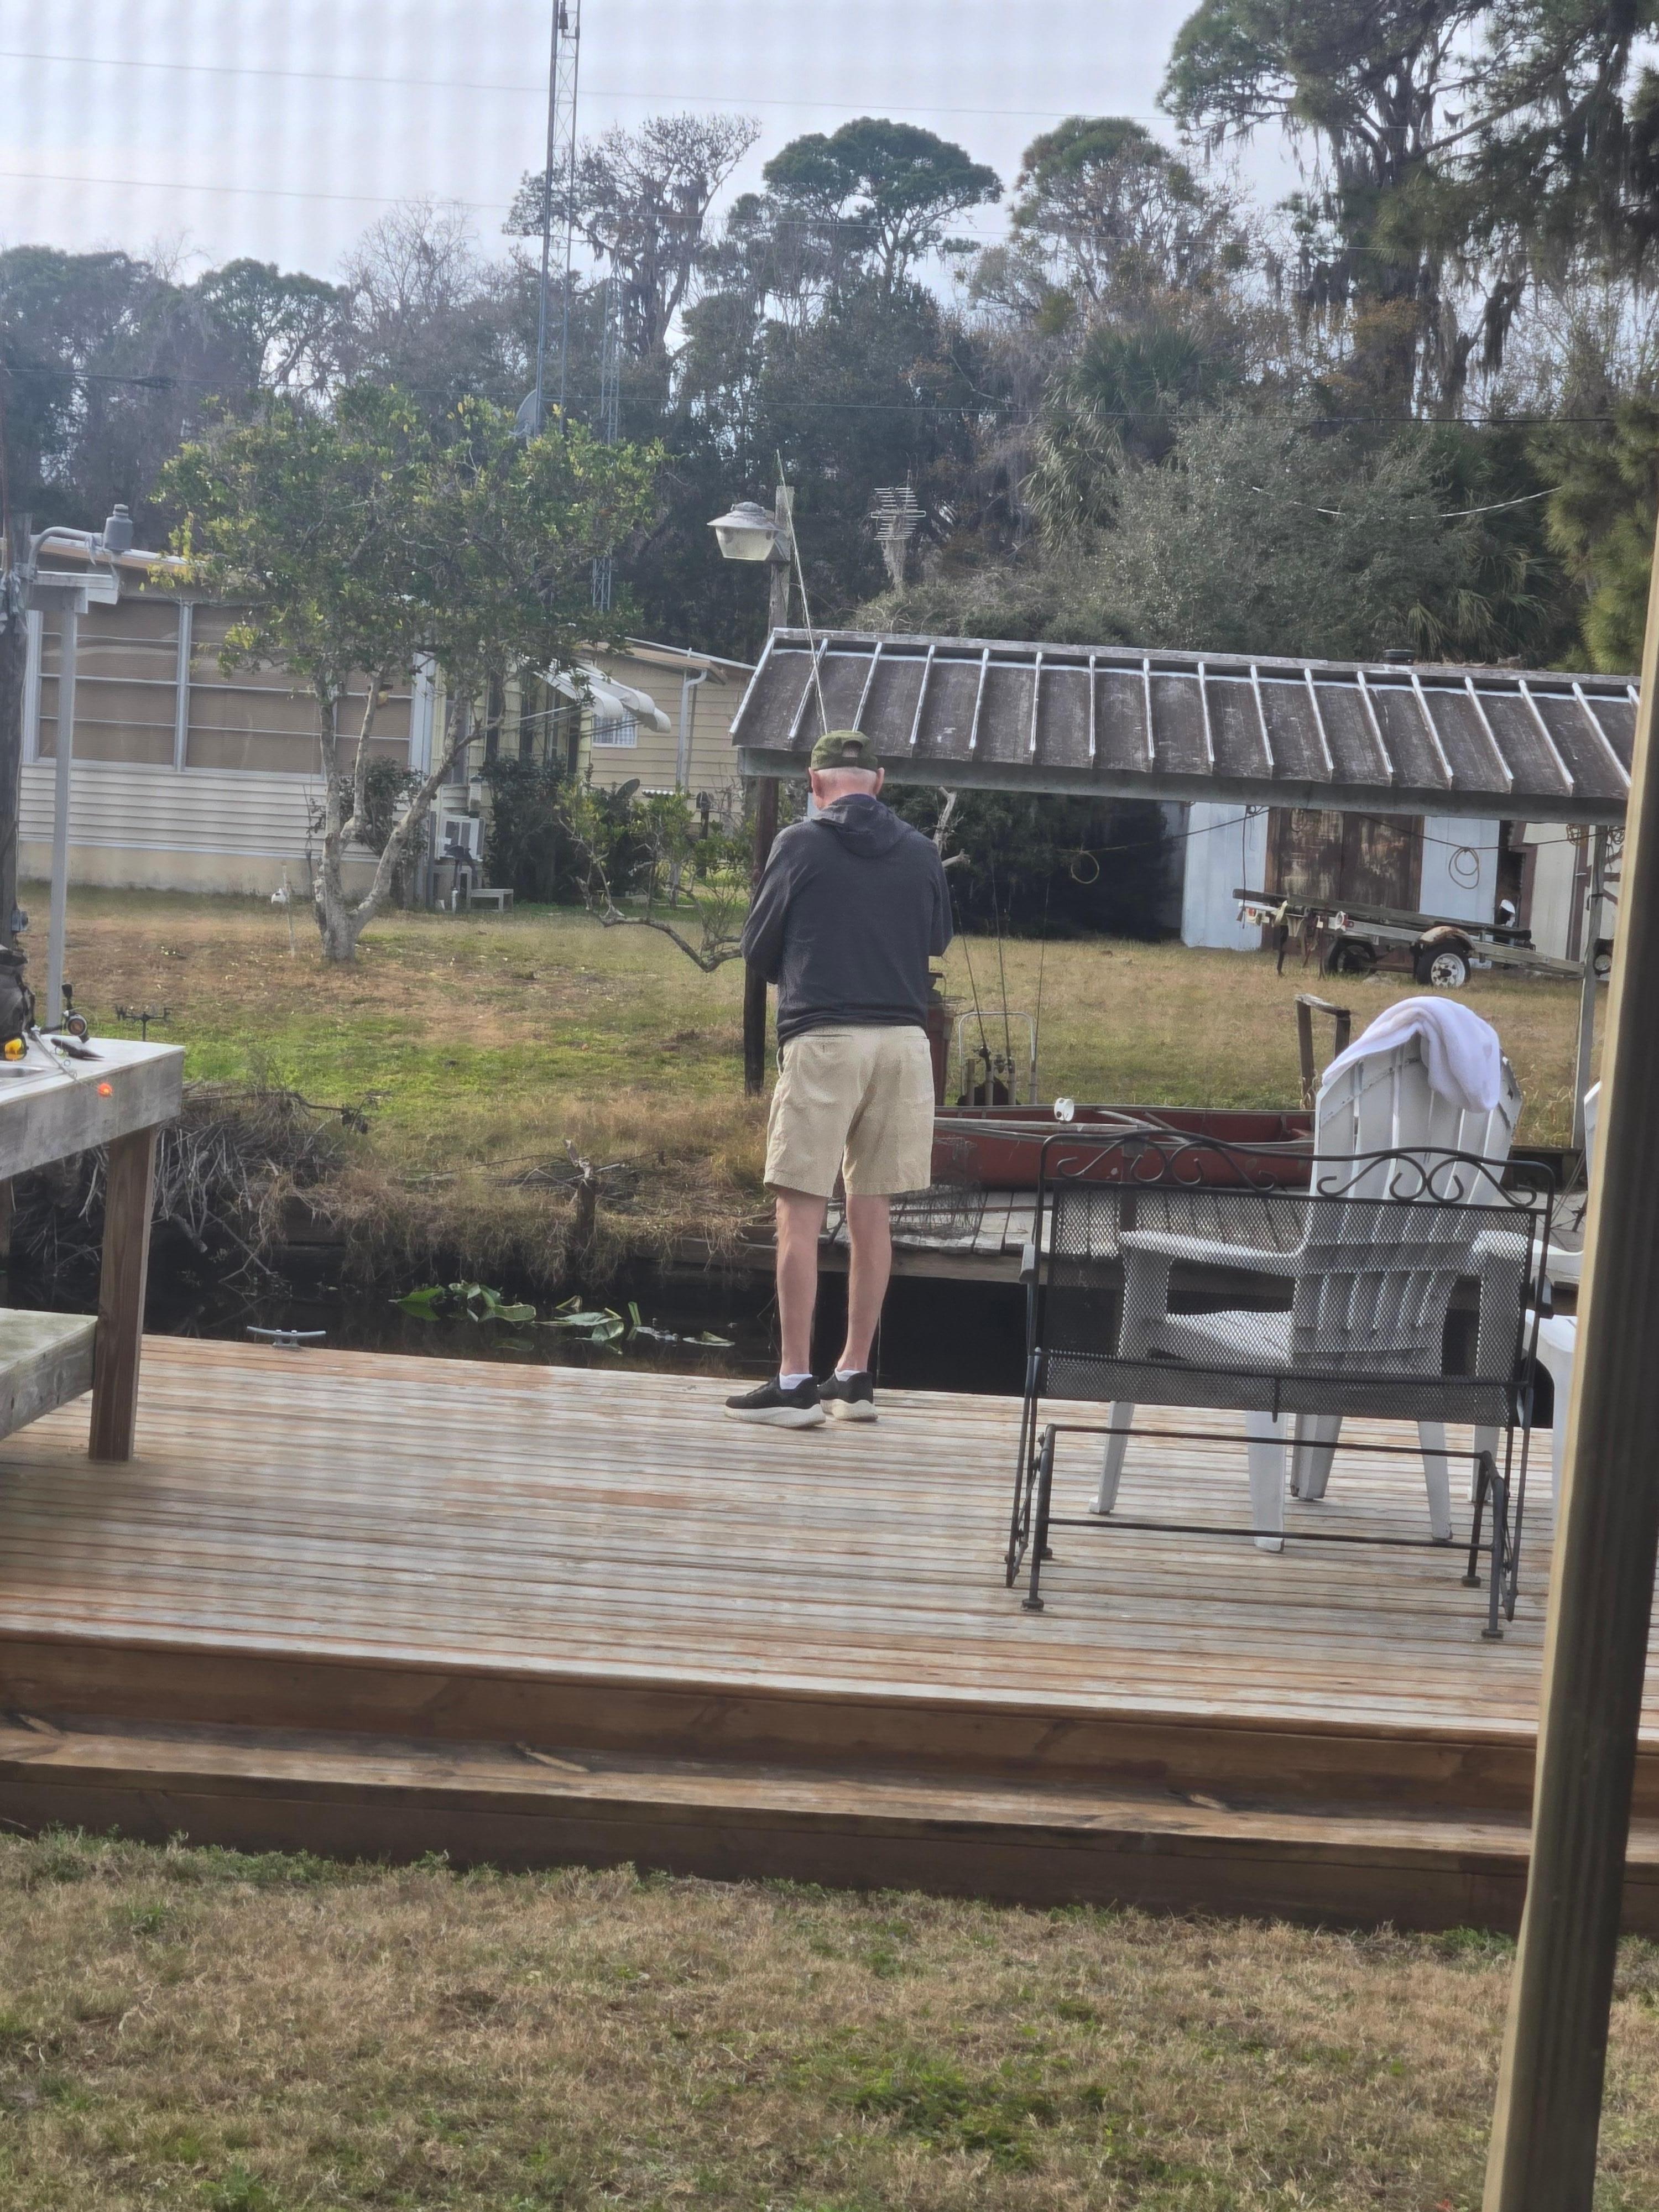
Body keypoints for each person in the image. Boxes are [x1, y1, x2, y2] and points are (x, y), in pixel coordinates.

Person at [725, 730, 951, 1428]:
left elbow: (758, 948)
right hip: (906, 1048)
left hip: (825, 1039)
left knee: (798, 1209)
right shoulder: (921, 851)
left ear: (815, 782)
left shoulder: (799, 843)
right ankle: (853, 1376)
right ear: (878, 781)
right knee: (871, 1208)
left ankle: (795, 1382)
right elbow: (936, 940)